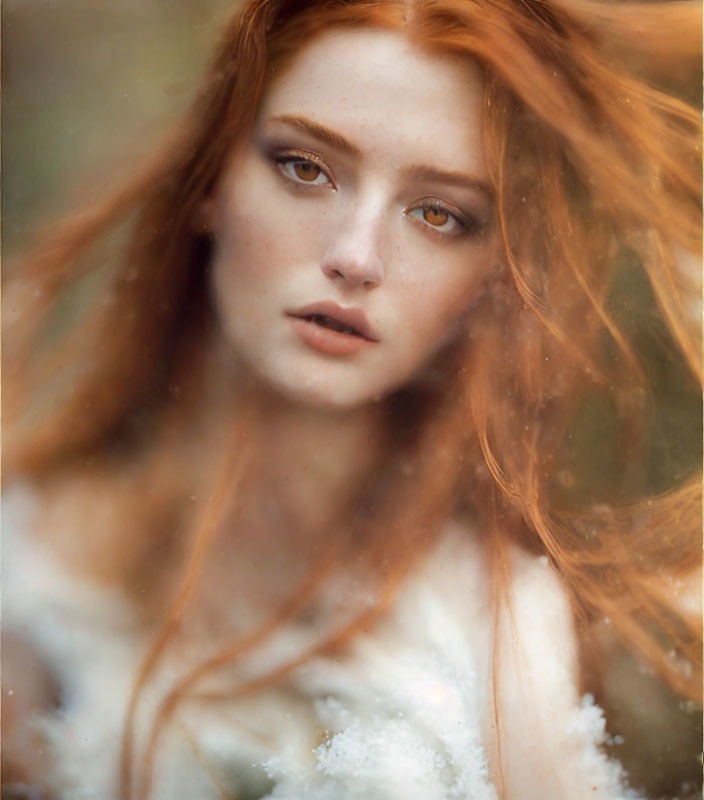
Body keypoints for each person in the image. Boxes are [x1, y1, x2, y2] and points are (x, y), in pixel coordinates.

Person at [3, 0, 701, 798]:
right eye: (305, 167)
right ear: (211, 179)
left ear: (488, 278)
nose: (355, 256)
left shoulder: (495, 633)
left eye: (440, 214)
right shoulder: (27, 569)